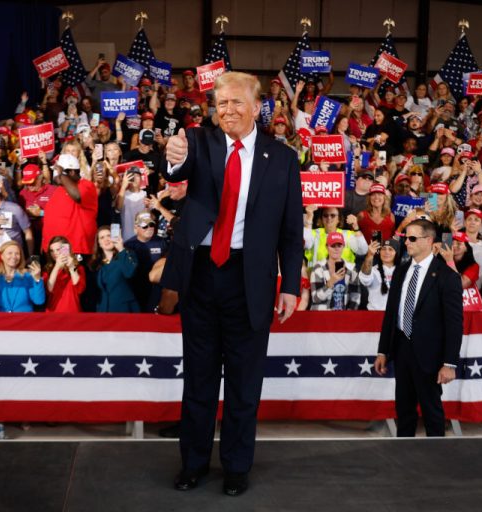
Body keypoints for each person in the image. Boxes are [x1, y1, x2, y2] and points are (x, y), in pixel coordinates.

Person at [162, 71, 303, 496]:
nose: (227, 111)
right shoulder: (198, 141)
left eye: (237, 103)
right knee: (199, 379)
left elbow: (291, 232)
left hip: (252, 282)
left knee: (245, 382)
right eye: (221, 103)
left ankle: (237, 467)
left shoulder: (282, 159)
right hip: (202, 275)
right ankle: (194, 464)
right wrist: (172, 156)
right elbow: (177, 165)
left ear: (258, 108)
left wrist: (291, 285)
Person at [375, 219, 463, 437]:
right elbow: (391, 313)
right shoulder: (401, 271)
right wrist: (383, 350)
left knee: (432, 412)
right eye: (406, 238)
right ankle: (403, 460)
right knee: (403, 411)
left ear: (429, 240)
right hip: (402, 349)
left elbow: (454, 324)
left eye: (413, 238)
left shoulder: (447, 276)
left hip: (430, 356)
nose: (407, 243)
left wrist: (449, 363)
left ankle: (436, 462)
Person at [41, 153, 99, 258]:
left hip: (74, 248)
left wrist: (62, 175)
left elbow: (77, 196)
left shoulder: (86, 185)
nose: (57, 176)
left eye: (60, 173)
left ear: (72, 172)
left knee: (74, 273)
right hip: (53, 249)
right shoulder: (59, 189)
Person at [124, 211, 168, 312]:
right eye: (144, 226)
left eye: (151, 224)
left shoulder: (161, 242)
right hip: (135, 288)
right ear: (136, 228)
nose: (149, 228)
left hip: (155, 289)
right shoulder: (129, 245)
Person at [0, 241, 45, 312]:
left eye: (17, 254)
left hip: (24, 320)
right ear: (1, 256)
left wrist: (37, 279)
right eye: (10, 253)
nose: (14, 256)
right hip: (0, 320)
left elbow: (39, 301)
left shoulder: (28, 275)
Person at [89, 225, 139, 312]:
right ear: (99, 243)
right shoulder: (95, 263)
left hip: (124, 309)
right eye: (102, 237)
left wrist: (121, 249)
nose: (106, 239)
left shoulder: (127, 254)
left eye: (109, 236)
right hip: (103, 310)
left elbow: (129, 273)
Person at [309, 231, 361, 310]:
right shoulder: (318, 268)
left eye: (339, 245)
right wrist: (330, 283)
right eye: (333, 245)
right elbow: (315, 298)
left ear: (343, 246)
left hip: (343, 317)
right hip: (321, 316)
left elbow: (355, 296)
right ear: (327, 247)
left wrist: (349, 314)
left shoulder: (351, 269)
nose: (336, 249)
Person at [44, 236, 86, 313]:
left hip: (73, 311)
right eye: (51, 251)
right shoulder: (48, 270)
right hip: (53, 312)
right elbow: (49, 289)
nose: (55, 253)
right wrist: (57, 267)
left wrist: (71, 267)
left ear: (67, 249)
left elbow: (80, 288)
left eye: (58, 249)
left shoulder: (78, 268)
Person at [359, 238, 400, 311]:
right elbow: (365, 278)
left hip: (395, 316)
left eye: (390, 249)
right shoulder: (373, 270)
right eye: (383, 249)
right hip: (374, 315)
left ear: (396, 253)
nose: (386, 252)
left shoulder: (403, 271)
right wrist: (370, 254)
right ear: (379, 252)